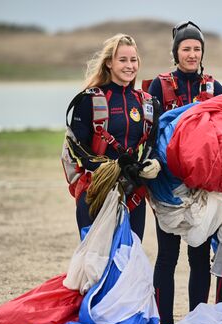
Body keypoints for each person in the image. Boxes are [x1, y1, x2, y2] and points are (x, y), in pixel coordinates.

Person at [144, 21, 222, 324]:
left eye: (196, 49)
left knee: (199, 254)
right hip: (167, 184)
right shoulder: (159, 86)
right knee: (167, 254)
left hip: (201, 186)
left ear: (202, 52)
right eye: (186, 48)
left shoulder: (213, 87)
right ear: (175, 52)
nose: (191, 54)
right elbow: (151, 132)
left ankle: (195, 323)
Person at [67, 33, 161, 240]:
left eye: (133, 60)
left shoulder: (146, 103)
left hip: (133, 193)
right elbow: (76, 146)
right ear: (109, 63)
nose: (130, 65)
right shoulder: (88, 100)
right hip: (96, 190)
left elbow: (153, 143)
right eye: (123, 60)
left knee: (128, 261)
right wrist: (111, 169)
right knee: (95, 264)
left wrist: (149, 164)